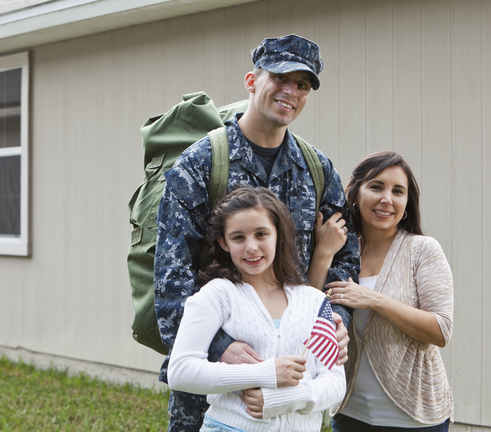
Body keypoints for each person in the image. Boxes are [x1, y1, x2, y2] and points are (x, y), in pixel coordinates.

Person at [154, 34, 360, 431]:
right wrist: (221, 349)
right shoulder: (200, 164)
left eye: (302, 85)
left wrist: (335, 321)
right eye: (280, 78)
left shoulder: (317, 169)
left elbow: (345, 258)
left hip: (294, 380)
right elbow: (170, 281)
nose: (291, 92)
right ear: (252, 81)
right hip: (215, 382)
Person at [167, 185, 346, 432]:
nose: (251, 247)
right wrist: (265, 373)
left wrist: (284, 399)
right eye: (238, 237)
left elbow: (335, 384)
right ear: (224, 242)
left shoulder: (314, 301)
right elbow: (180, 371)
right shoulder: (218, 294)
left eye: (261, 234)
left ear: (279, 235)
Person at [317, 151, 454, 431]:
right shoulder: (340, 250)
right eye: (376, 186)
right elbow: (308, 306)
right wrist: (322, 252)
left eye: (398, 191)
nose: (386, 199)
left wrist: (374, 300)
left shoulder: (422, 250)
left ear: (406, 203)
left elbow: (441, 330)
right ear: (355, 194)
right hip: (349, 415)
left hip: (415, 418)